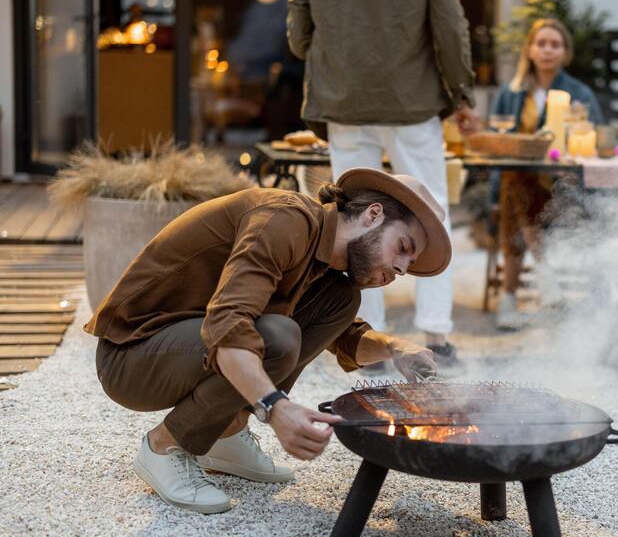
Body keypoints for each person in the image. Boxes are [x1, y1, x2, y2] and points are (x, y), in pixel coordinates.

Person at [85, 169, 450, 514]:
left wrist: (392, 348)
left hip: (180, 345)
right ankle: (164, 446)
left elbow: (345, 337)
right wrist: (275, 408)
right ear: (373, 215)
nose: (402, 270)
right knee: (277, 337)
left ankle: (226, 433)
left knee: (341, 301)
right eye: (403, 247)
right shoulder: (285, 219)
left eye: (410, 262)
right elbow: (229, 326)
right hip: (132, 356)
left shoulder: (324, 264)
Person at [287, 0, 480, 365]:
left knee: (353, 220)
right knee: (431, 209)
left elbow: (298, 41)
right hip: (412, 101)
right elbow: (450, 28)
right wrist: (462, 94)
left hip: (344, 102)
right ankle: (436, 335)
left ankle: (364, 340)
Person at [490, 18, 604, 330]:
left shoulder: (579, 95)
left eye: (555, 44)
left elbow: (593, 143)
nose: (547, 50)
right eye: (541, 43)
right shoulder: (511, 93)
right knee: (515, 179)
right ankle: (543, 273)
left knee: (514, 193)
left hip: (562, 192)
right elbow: (498, 146)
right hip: (521, 189)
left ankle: (509, 298)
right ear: (529, 49)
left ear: (565, 53)